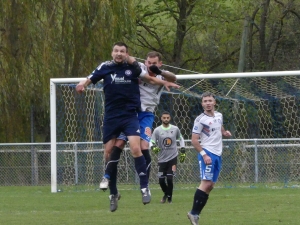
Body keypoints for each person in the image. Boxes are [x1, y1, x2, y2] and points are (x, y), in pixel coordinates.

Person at [76, 42, 178, 212]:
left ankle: (144, 185)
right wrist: (83, 84)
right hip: (126, 113)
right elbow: (94, 75)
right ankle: (112, 190)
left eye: (155, 63)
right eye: (148, 62)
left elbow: (171, 78)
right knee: (113, 148)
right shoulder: (136, 67)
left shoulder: (159, 76)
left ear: (160, 64)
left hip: (144, 114)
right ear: (144, 61)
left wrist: (162, 78)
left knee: (142, 146)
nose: (150, 65)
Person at [187, 92, 232, 225]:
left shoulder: (219, 116)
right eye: (205, 101)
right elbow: (194, 140)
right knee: (205, 183)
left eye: (210, 101)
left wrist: (224, 132)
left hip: (218, 154)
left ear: (214, 102)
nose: (207, 103)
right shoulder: (200, 119)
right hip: (207, 152)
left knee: (210, 185)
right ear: (202, 104)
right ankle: (193, 213)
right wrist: (204, 155)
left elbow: (219, 126)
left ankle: (195, 214)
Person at [150, 111, 186, 204]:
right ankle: (166, 194)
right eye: (164, 118)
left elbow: (181, 138)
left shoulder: (175, 129)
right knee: (161, 180)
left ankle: (169, 199)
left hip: (173, 157)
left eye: (167, 118)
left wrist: (182, 149)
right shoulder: (157, 130)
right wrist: (153, 147)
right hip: (162, 159)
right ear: (161, 118)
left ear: (170, 118)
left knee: (170, 179)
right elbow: (152, 141)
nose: (166, 119)